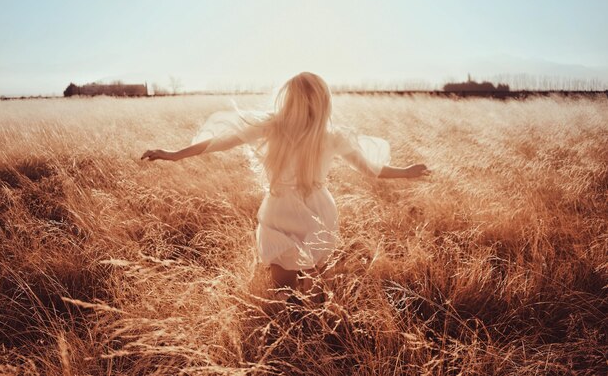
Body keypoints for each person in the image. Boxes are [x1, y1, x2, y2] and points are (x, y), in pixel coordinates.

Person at [141, 72, 429, 300]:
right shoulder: (274, 127)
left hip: (309, 213)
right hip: (287, 211)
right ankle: (294, 338)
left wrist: (406, 172)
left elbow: (371, 169)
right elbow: (220, 141)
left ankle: (311, 339)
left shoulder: (328, 136)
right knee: (289, 288)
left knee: (308, 287)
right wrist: (174, 154)